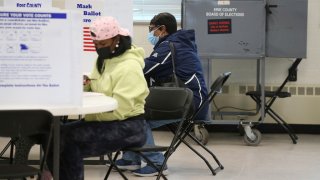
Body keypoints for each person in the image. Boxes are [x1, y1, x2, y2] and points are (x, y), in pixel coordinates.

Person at [46, 16, 149, 180]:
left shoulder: (130, 67)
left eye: (102, 44)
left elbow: (120, 109)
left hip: (130, 126)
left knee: (68, 140)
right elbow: (93, 84)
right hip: (104, 121)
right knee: (53, 135)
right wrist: (85, 84)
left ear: (116, 39)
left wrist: (92, 115)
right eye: (95, 44)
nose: (98, 48)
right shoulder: (103, 60)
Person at [114, 12, 209, 177]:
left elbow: (145, 68)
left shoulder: (171, 46)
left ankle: (155, 162)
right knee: (134, 112)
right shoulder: (176, 43)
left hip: (189, 102)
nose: (151, 34)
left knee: (135, 115)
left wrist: (119, 67)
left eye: (152, 30)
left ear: (162, 29)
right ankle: (131, 158)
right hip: (187, 97)